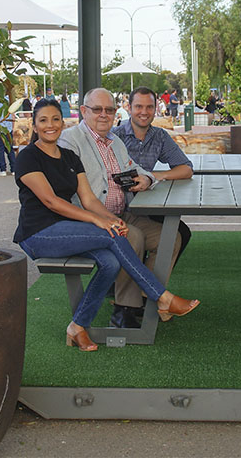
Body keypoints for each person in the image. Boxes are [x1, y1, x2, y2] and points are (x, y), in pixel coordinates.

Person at [14, 98, 199, 352]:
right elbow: (51, 201)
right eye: (43, 120)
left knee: (110, 261)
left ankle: (78, 326)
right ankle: (163, 297)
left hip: (69, 229)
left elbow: (88, 199)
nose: (50, 125)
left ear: (63, 121)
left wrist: (112, 219)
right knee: (112, 236)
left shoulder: (68, 156)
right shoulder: (28, 157)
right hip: (39, 234)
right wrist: (100, 221)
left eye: (55, 119)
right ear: (34, 125)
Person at [59, 88, 180, 330]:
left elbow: (135, 167)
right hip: (90, 220)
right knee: (131, 236)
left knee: (171, 238)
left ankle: (146, 297)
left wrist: (146, 179)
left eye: (110, 110)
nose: (104, 115)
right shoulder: (70, 141)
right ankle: (123, 311)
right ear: (83, 111)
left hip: (122, 212)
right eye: (97, 109)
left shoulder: (114, 141)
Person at [112, 86, 194, 286]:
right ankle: (133, 288)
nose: (144, 112)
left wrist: (153, 176)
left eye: (149, 107)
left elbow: (186, 169)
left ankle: (148, 289)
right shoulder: (114, 136)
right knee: (154, 236)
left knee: (181, 233)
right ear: (128, 108)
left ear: (156, 109)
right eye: (138, 106)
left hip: (145, 203)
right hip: (119, 206)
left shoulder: (159, 136)